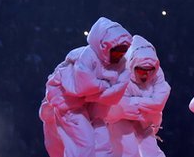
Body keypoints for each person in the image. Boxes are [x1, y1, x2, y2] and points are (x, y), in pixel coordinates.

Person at [40, 17, 132, 157]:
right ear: (104, 46)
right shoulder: (87, 56)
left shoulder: (122, 64)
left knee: (102, 142)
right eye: (115, 52)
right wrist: (104, 86)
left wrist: (96, 91)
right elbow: (83, 86)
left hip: (94, 106)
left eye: (122, 52)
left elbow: (115, 94)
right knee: (84, 143)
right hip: (68, 103)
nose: (119, 56)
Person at [106, 35, 171, 157]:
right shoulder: (119, 72)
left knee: (152, 152)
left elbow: (158, 102)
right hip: (120, 120)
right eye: (141, 70)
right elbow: (119, 106)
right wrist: (146, 103)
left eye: (150, 70)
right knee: (128, 150)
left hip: (144, 120)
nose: (146, 74)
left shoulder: (157, 74)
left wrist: (134, 102)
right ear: (133, 64)